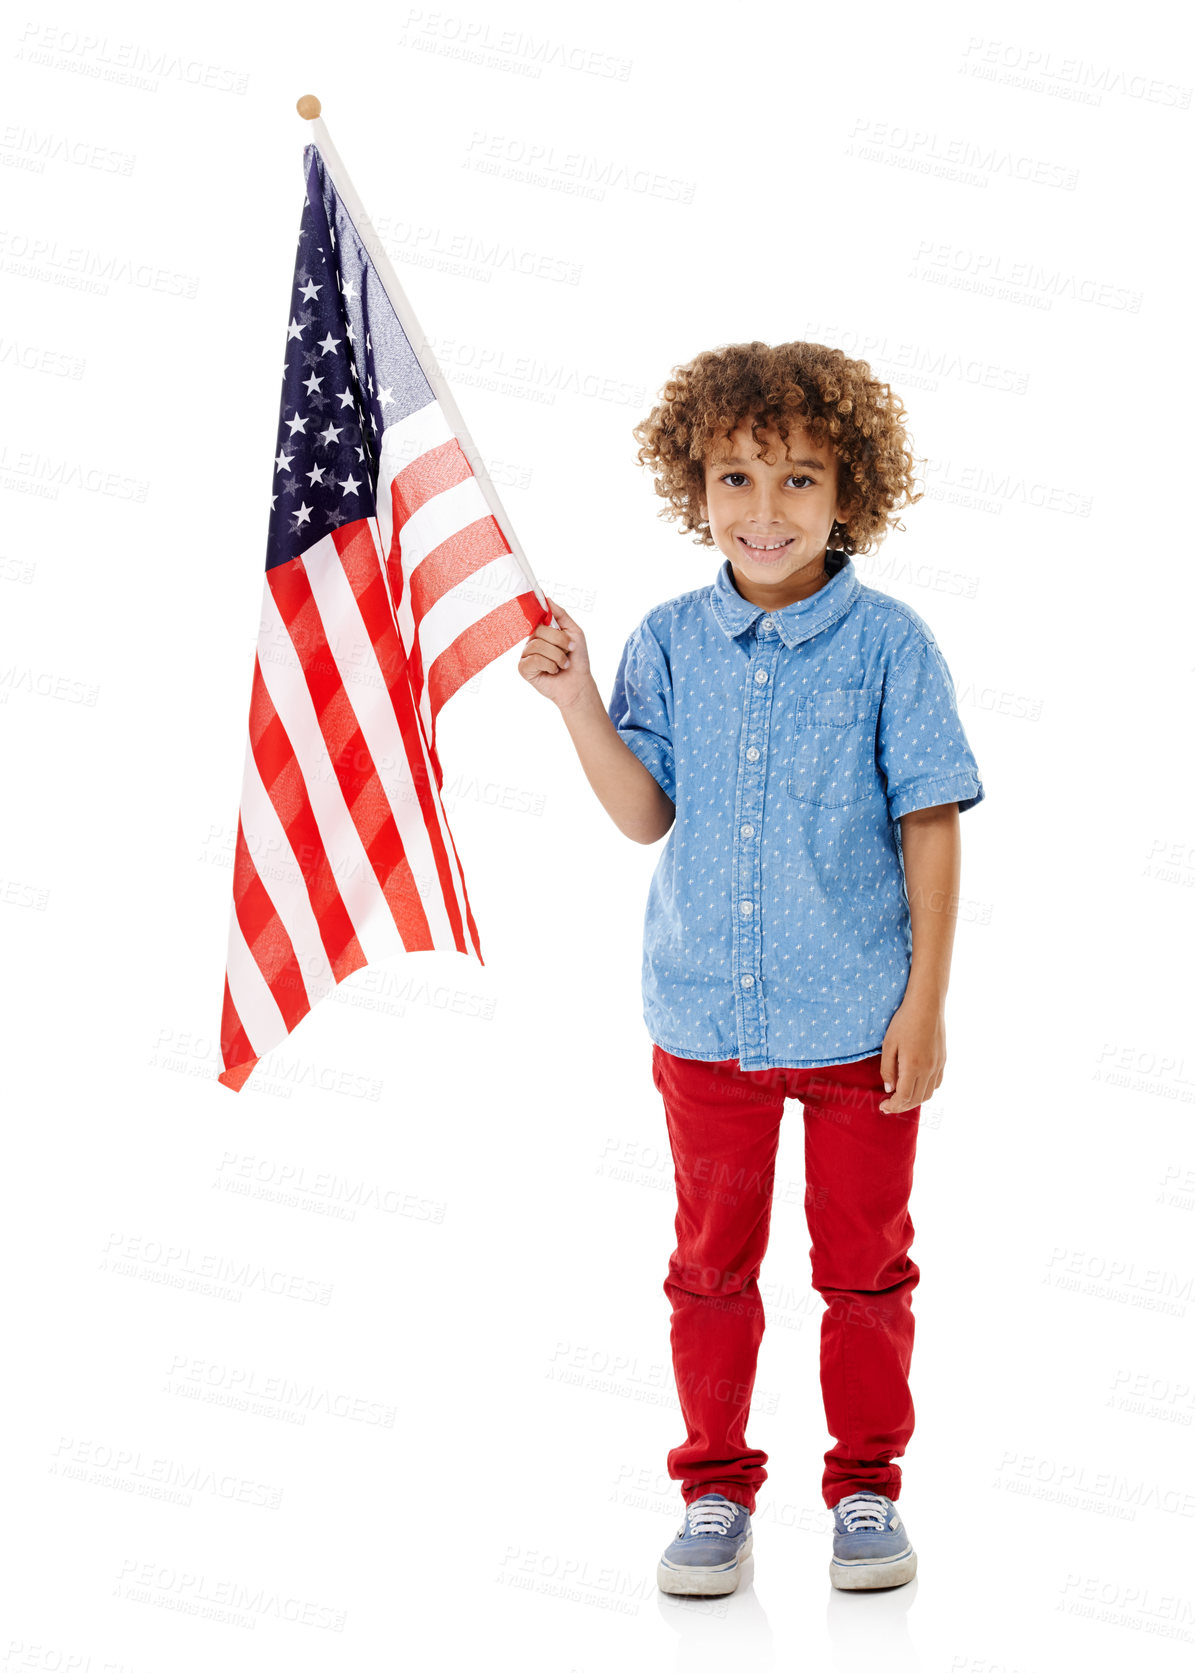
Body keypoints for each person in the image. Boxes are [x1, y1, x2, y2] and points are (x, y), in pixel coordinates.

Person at [517, 340, 985, 1597]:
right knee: (709, 1265)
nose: (762, 512)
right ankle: (714, 1484)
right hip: (705, 1020)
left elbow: (928, 820)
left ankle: (866, 1486)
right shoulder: (669, 640)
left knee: (864, 1265)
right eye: (735, 478)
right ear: (696, 486)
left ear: (849, 497)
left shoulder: (891, 645)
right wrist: (576, 705)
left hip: (857, 1026)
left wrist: (925, 1003)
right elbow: (643, 814)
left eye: (797, 481)